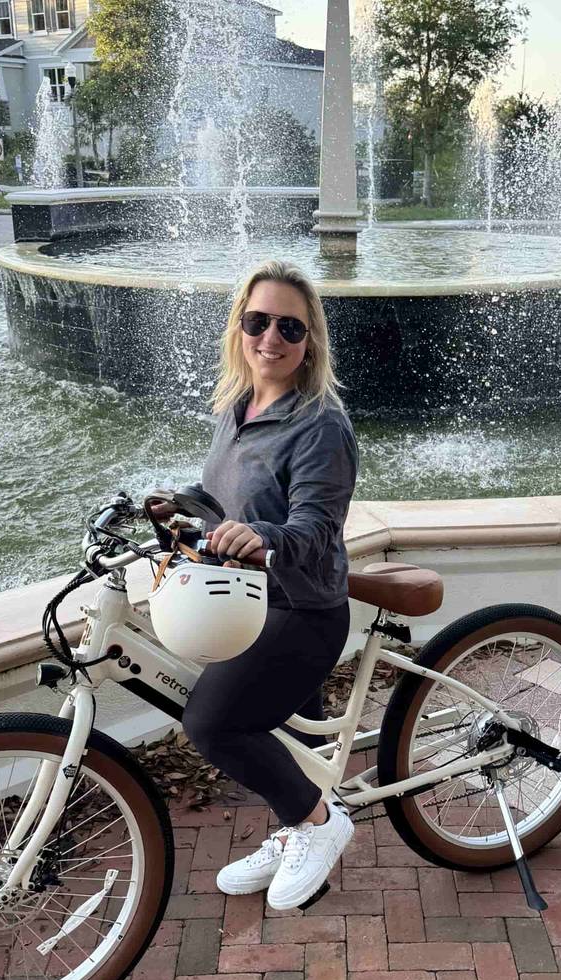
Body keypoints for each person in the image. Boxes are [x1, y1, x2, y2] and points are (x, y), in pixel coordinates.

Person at [182, 261, 357, 911]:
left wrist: (264, 536)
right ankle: (297, 826)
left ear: (309, 342)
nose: (272, 338)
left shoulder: (321, 424)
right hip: (248, 600)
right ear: (239, 327)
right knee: (295, 747)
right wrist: (173, 505)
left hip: (300, 607)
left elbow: (314, 525)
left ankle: (320, 825)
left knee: (211, 722)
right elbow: (215, 497)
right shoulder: (238, 405)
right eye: (258, 322)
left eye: (291, 327)